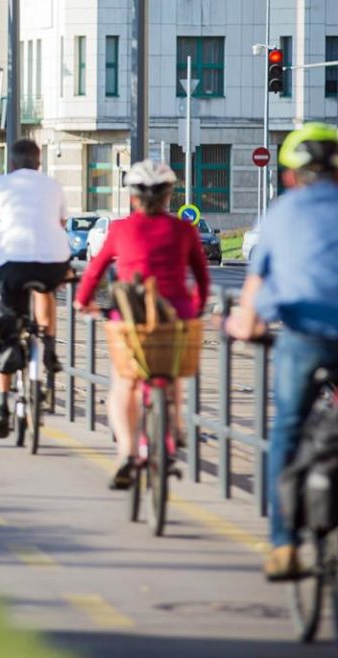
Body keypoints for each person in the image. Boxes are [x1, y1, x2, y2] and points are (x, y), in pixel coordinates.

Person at [225, 123, 338, 581]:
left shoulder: (280, 213)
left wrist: (242, 324)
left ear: (291, 176)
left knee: (288, 430)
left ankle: (283, 545)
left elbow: (254, 290)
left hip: (302, 335)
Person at [75, 160, 209, 489]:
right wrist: (197, 308)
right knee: (171, 369)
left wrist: (83, 301)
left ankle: (128, 453)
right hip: (175, 315)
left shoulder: (120, 229)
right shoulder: (184, 229)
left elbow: (95, 270)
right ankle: (174, 426)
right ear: (168, 197)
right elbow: (203, 277)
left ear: (133, 197)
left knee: (124, 383)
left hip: (131, 317)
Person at [0, 139, 71, 438]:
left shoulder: (0, 185)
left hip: (11, 263)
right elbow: (60, 224)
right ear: (39, 162)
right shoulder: (54, 186)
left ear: (11, 163)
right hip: (52, 261)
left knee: (7, 330)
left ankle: (1, 405)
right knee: (45, 291)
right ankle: (48, 345)